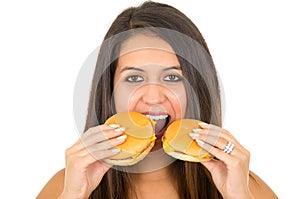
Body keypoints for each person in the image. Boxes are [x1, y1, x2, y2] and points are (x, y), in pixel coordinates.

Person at [37, 1, 278, 199]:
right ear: (109, 91)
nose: (153, 97)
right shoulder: (65, 186)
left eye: (173, 77)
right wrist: (74, 193)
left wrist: (237, 194)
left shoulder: (248, 189)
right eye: (133, 78)